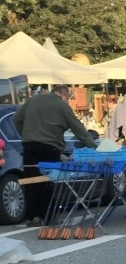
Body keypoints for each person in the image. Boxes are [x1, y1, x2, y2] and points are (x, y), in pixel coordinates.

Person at [13, 85, 98, 226]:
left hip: (29, 146)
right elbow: (78, 128)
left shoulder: (32, 100)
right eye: (68, 98)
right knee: (48, 180)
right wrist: (95, 146)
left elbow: (16, 119)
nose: (68, 102)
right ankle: (49, 216)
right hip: (50, 147)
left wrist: (25, 134)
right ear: (63, 95)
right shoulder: (61, 105)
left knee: (32, 181)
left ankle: (33, 217)